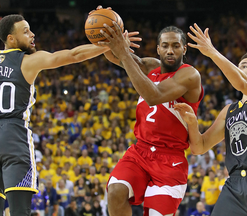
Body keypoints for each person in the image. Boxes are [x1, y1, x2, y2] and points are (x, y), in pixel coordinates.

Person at [0, 14, 140, 216]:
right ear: (11, 39)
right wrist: (112, 45)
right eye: (26, 31)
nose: (32, 34)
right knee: (19, 211)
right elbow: (74, 55)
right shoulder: (28, 60)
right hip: (13, 136)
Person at [94, 5, 204, 216]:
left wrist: (124, 53)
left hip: (170, 159)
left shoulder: (189, 75)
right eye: (165, 45)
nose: (170, 50)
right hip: (140, 151)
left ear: (184, 49)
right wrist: (108, 32)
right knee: (115, 192)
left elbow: (153, 96)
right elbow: (115, 57)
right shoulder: (150, 67)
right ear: (158, 49)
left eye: (175, 46)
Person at [174, 23, 247, 215]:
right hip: (234, 185)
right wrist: (192, 124)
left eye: (244, 66)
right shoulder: (228, 110)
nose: (237, 70)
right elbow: (199, 147)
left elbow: (242, 83)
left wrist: (212, 52)